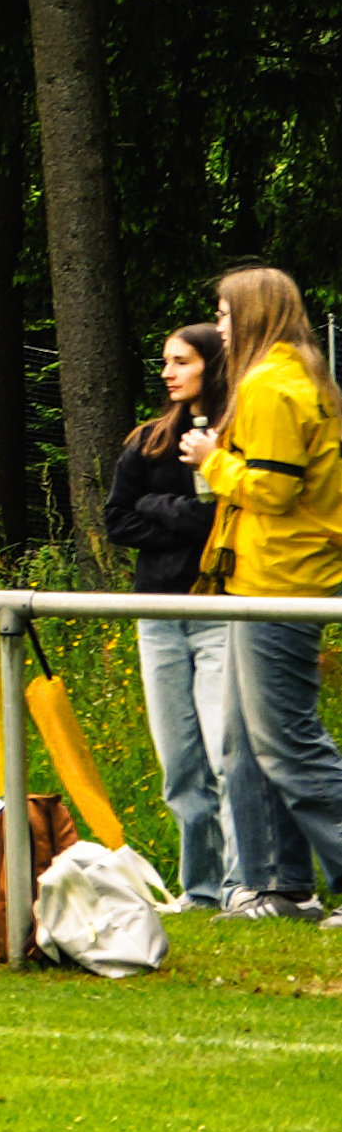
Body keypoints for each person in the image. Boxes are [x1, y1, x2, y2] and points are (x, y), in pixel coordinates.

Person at [189, 264, 342, 923]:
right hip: (259, 578)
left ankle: (285, 882)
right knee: (243, 743)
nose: (218, 328)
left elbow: (275, 491)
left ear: (250, 315)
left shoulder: (270, 385)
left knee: (285, 742)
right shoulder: (289, 378)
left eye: (222, 315)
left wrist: (210, 461)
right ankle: (276, 888)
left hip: (279, 579)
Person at [106, 321, 267, 912]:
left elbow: (228, 516)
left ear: (213, 367)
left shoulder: (237, 437)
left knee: (228, 756)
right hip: (158, 615)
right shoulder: (148, 440)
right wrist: (178, 510)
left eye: (182, 362)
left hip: (221, 611)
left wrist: (161, 510)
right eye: (166, 361)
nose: (168, 372)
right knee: (179, 764)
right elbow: (118, 521)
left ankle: (240, 886)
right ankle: (198, 890)